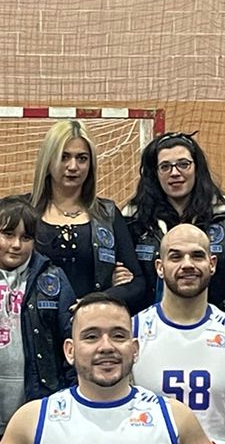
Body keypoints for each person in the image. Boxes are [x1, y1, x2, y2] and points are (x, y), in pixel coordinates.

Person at [0, 294, 223, 444]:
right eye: (91, 336)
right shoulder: (33, 419)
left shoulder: (176, 418)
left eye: (118, 335)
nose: (106, 346)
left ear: (135, 348)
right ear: (70, 351)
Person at [132, 222, 225, 444]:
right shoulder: (131, 334)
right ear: (160, 267)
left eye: (197, 255)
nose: (187, 265)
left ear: (212, 264)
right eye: (175, 256)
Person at [0, 197, 74, 444]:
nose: (16, 245)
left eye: (26, 238)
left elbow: (71, 343)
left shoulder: (53, 279)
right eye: (8, 234)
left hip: (33, 415)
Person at [126, 133, 225, 319]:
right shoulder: (134, 218)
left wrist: (217, 319)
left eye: (183, 164)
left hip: (214, 334)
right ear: (155, 173)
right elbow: (125, 281)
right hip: (151, 333)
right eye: (165, 166)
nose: (174, 173)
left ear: (197, 168)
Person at [27, 118, 145, 309]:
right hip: (36, 328)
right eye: (64, 157)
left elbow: (137, 282)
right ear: (48, 161)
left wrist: (104, 298)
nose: (73, 166)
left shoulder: (107, 214)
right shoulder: (25, 210)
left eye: (82, 158)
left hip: (93, 325)